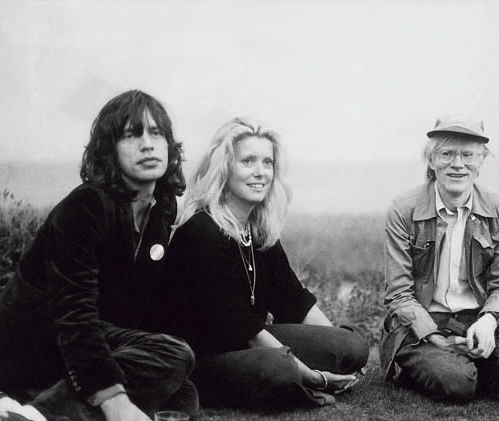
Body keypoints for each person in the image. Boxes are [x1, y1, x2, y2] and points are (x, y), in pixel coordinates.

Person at [0, 90, 198, 421]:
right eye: (132, 134)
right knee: (171, 355)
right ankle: (34, 415)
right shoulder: (85, 208)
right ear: (109, 151)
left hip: (80, 347)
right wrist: (116, 401)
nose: (148, 143)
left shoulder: (163, 207)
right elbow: (73, 315)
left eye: (157, 133)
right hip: (29, 346)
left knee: (183, 391)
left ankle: (15, 405)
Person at [143, 117, 369, 409]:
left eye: (267, 163)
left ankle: (289, 376)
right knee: (279, 368)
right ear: (225, 169)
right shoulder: (202, 232)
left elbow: (294, 300)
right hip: (200, 357)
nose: (260, 172)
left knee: (352, 345)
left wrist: (336, 340)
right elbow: (244, 331)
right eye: (248, 161)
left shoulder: (259, 231)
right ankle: (289, 383)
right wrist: (315, 377)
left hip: (250, 345)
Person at [380, 114, 499, 401]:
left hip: (477, 322)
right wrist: (434, 337)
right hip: (422, 325)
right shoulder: (402, 210)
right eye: (447, 154)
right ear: (431, 160)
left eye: (468, 155)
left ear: (481, 162)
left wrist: (488, 323)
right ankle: (439, 367)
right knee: (457, 383)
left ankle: (459, 368)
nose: (457, 164)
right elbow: (399, 294)